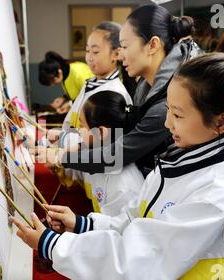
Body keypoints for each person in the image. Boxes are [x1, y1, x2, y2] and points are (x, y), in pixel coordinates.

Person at [11, 53, 224, 280]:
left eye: (177, 114)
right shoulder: (178, 160)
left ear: (222, 122)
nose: (166, 124)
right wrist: (83, 224)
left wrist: (51, 245)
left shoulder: (218, 192)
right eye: (168, 111)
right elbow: (136, 219)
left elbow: (138, 260)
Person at [34, 5, 200, 177]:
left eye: (125, 47)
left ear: (152, 45)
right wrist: (68, 143)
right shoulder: (145, 85)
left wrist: (63, 156)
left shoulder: (168, 102)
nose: (121, 56)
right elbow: (121, 132)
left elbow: (121, 151)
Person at [45, 22, 134, 148]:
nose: (89, 58)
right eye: (87, 50)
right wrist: (54, 138)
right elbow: (72, 123)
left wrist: (60, 140)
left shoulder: (114, 93)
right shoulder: (91, 83)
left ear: (116, 54)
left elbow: (98, 144)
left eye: (96, 52)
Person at [56, 91, 144, 215]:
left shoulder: (123, 186)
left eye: (81, 125)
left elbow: (113, 231)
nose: (79, 131)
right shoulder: (94, 157)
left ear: (101, 132)